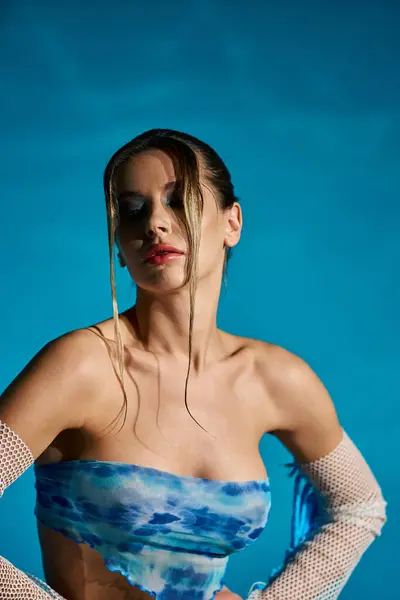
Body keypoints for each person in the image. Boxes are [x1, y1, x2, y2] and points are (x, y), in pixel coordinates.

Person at [0, 129, 387, 600]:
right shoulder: (82, 366)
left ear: (232, 223)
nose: (155, 225)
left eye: (178, 200)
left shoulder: (273, 378)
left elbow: (359, 506)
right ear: (119, 246)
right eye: (132, 211)